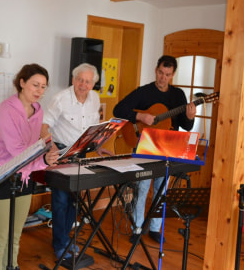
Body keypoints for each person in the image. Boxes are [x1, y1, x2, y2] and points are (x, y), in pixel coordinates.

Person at [0, 63, 58, 270]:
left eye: (43, 87)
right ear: (22, 83)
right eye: (35, 85)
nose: (39, 91)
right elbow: (18, 152)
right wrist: (43, 161)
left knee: (15, 235)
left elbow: (36, 144)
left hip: (24, 177)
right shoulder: (7, 109)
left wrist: (50, 149)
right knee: (0, 237)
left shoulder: (38, 111)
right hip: (0, 176)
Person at [113, 55, 196, 244]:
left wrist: (190, 117)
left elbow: (186, 126)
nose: (163, 77)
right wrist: (141, 116)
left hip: (168, 146)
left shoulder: (178, 95)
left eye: (167, 74)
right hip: (146, 146)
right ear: (156, 70)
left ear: (172, 75)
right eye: (160, 72)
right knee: (142, 188)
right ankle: (137, 227)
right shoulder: (143, 92)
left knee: (161, 189)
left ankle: (155, 229)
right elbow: (118, 109)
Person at [41, 63, 111, 260]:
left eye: (88, 81)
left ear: (93, 84)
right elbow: (44, 125)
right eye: (80, 80)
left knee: (74, 202)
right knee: (61, 201)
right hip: (61, 152)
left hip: (81, 153)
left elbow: (92, 127)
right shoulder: (60, 99)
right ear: (73, 80)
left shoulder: (95, 99)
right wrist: (51, 147)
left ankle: (66, 240)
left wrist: (97, 146)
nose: (83, 84)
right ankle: (60, 245)